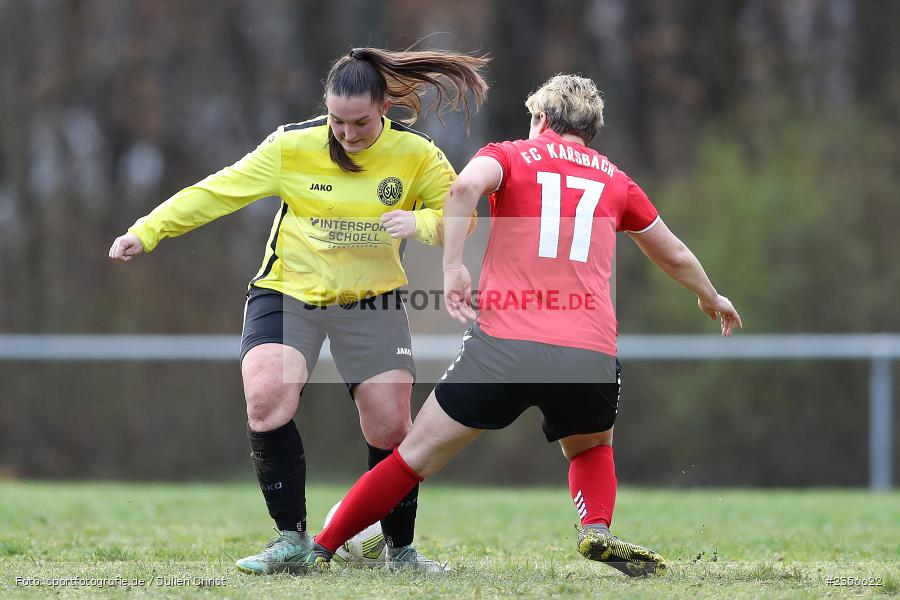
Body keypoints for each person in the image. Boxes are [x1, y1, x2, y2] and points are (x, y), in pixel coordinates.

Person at [307, 74, 743, 576]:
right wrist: (711, 296)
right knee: (591, 447)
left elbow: (464, 187)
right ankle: (596, 527)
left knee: (410, 460)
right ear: (590, 130)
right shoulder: (616, 180)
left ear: (540, 118)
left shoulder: (511, 154)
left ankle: (321, 548)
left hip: (505, 347)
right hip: (589, 353)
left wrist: (453, 267)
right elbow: (674, 253)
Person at [108, 46, 488, 574]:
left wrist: (419, 224)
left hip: (370, 300)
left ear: (384, 108)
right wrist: (146, 231)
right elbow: (217, 192)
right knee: (266, 401)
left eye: (360, 122)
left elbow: (462, 219)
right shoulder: (292, 146)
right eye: (337, 121)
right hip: (288, 292)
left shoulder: (417, 154)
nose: (347, 133)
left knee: (390, 428)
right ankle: (290, 539)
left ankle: (400, 552)